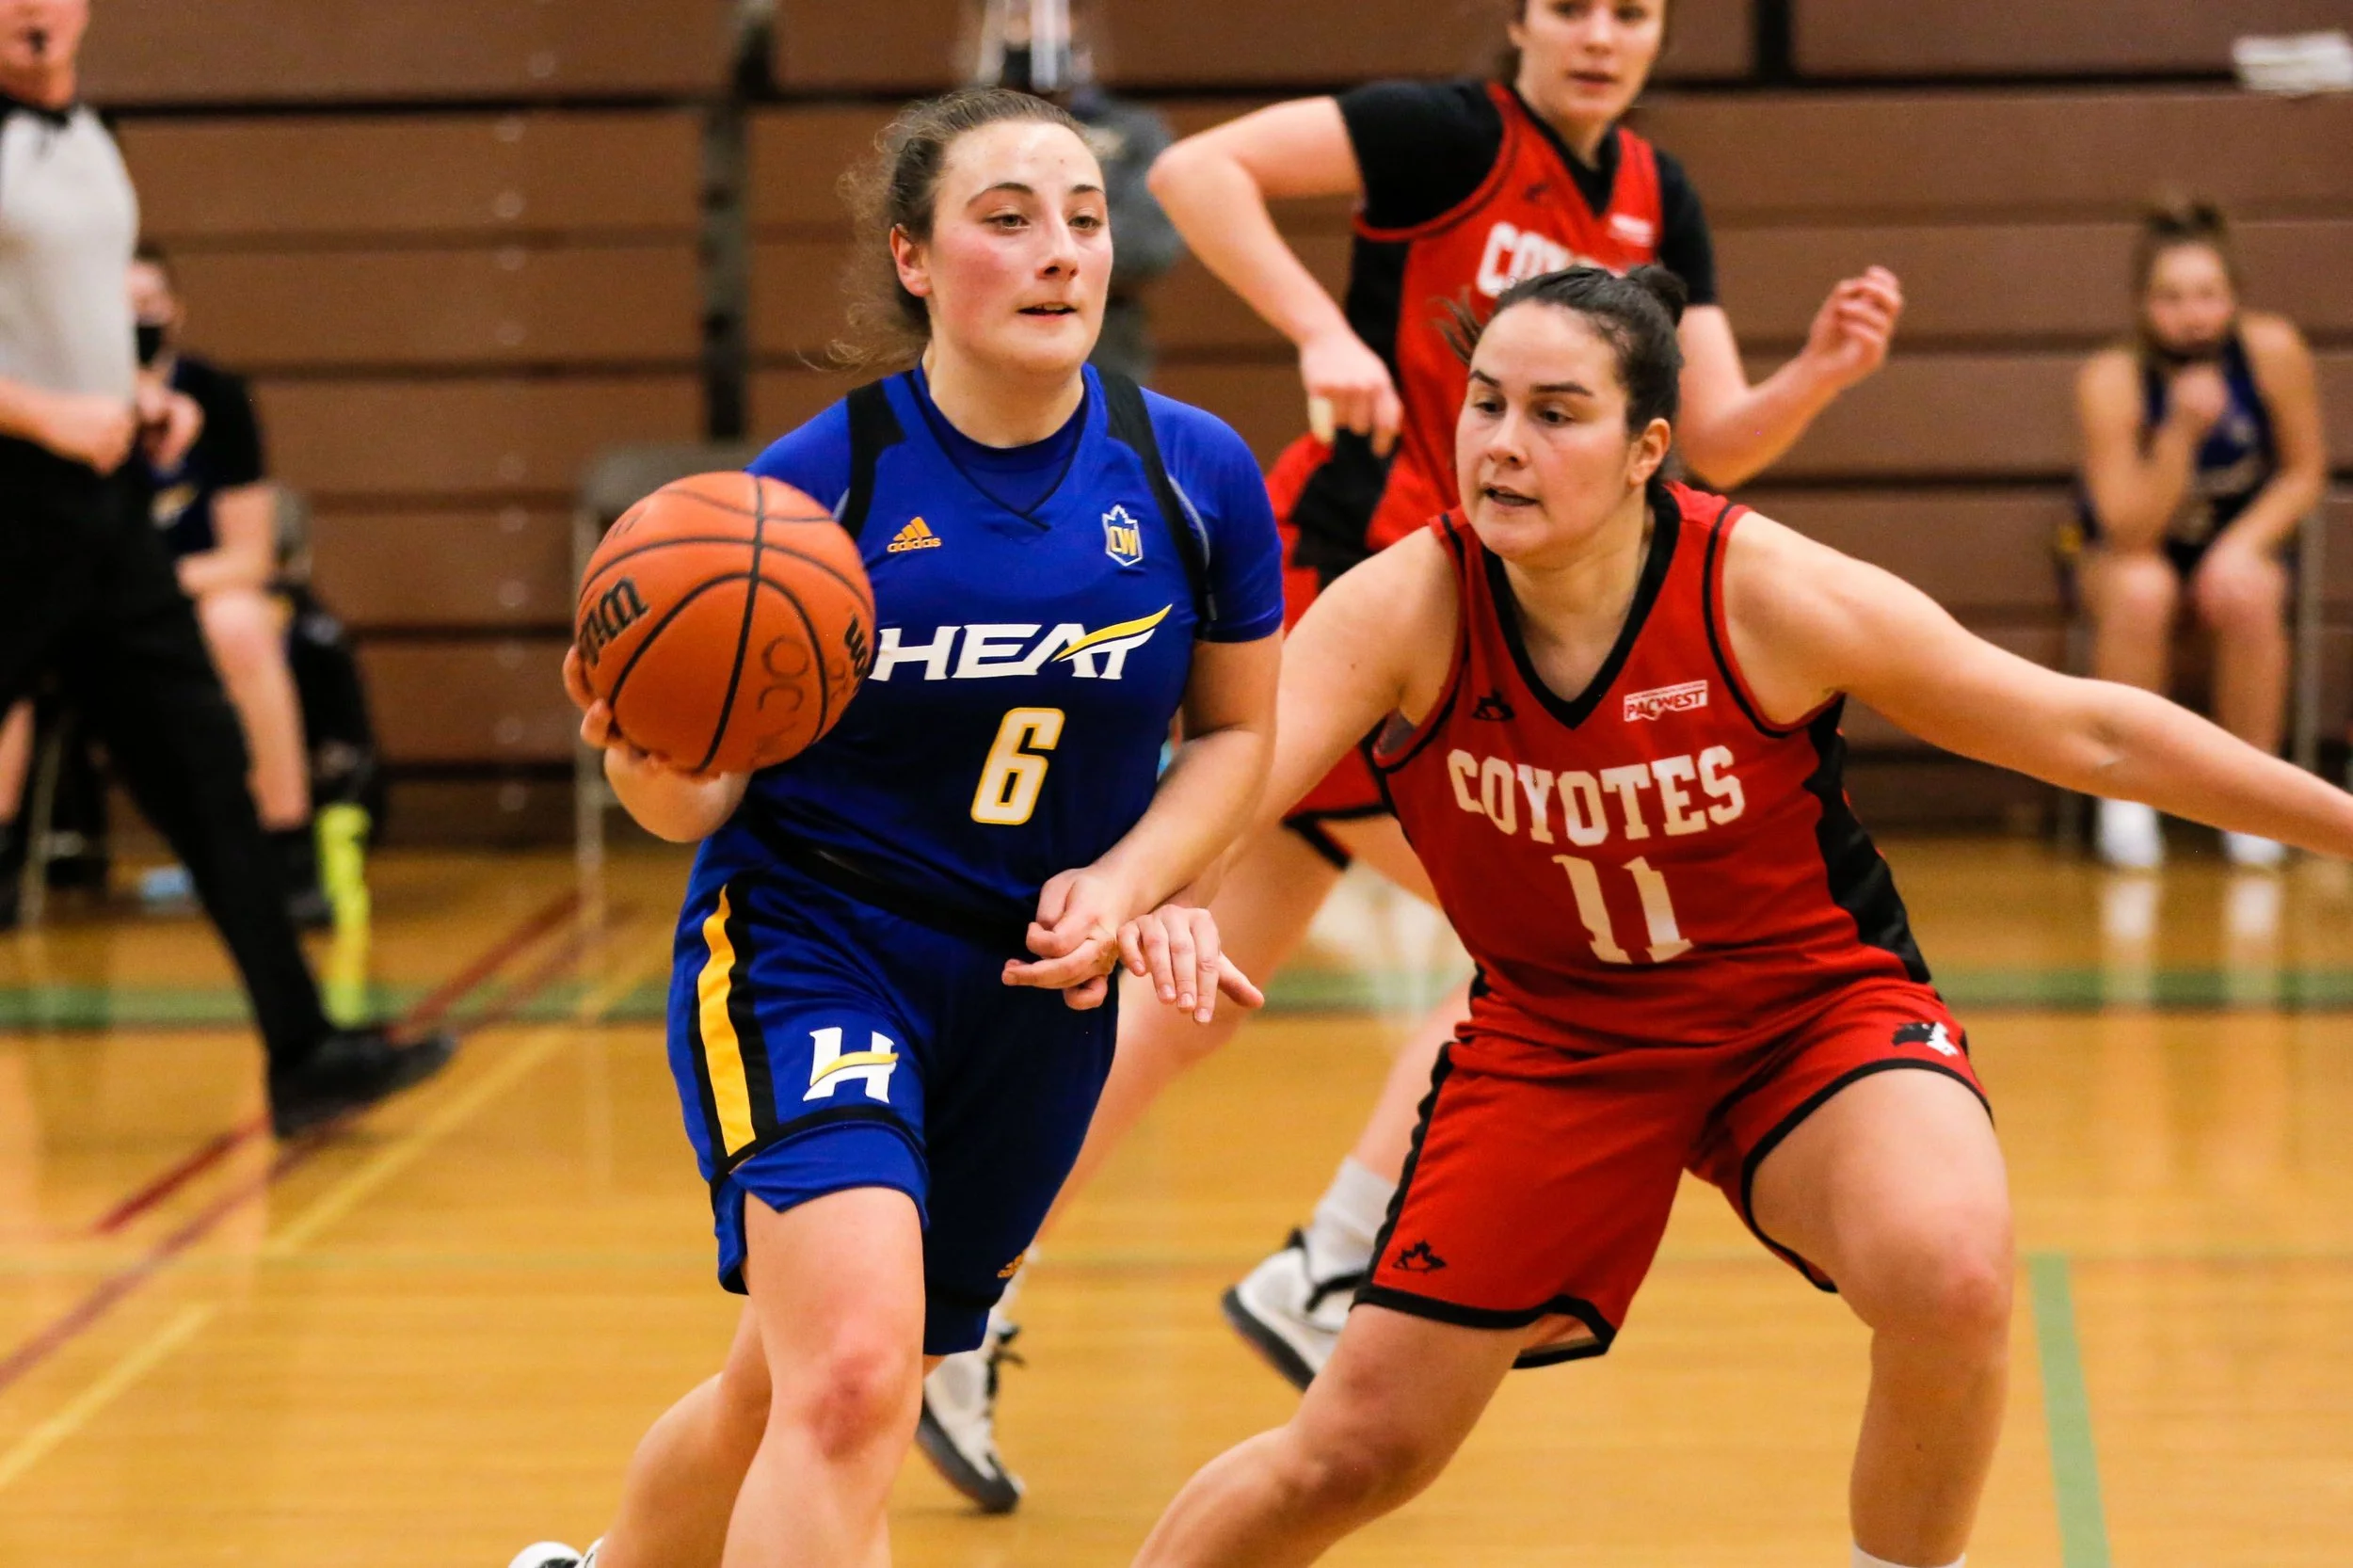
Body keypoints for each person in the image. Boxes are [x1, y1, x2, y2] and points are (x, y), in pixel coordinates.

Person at [1128, 263, 2353, 1568]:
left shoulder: (1762, 590)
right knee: (1357, 1449)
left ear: (1649, 447)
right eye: (1486, 405)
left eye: (1556, 412)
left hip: (1809, 1016)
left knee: (1951, 1274)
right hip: (1561, 1039)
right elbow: (1231, 774)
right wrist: (1157, 891)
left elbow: (2093, 732)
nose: (1503, 443)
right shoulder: (1407, 601)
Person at [919, 0, 1909, 1498]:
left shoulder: (1658, 193)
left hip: (1474, 665)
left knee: (1187, 1007)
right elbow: (1193, 176)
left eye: (1630, 10)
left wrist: (1818, 379)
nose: (1599, 35)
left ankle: (964, 1293)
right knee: (1547, 946)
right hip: (1355, 609)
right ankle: (1318, 1264)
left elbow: (1706, 431)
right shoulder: (1445, 137)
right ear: (1521, 19)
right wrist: (1324, 331)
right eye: (1571, 5)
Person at [509, 86, 1282, 1568]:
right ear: (914, 259)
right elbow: (691, 801)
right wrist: (649, 745)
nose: (1059, 251)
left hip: (1035, 987)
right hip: (819, 942)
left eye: (1084, 218)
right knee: (856, 1380)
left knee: (788, 1384)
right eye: (1007, 220)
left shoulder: (1194, 476)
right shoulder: (809, 495)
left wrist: (1129, 881)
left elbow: (1240, 735)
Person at [0, 0, 450, 1130]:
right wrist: (49, 415)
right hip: (9, 501)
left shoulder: (89, 136)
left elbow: (60, 308)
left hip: (102, 510)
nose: (32, 9)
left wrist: (135, 397)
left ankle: (303, 1050)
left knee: (205, 770)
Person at [2073, 195, 2328, 871]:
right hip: (2135, 551)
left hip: (2235, 540)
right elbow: (2127, 529)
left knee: (2247, 587)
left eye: (2209, 294)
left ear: (2236, 296)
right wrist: (2181, 435)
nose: (2192, 315)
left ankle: (2254, 797)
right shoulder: (2112, 378)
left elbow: (2304, 473)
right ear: (2140, 303)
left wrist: (2241, 546)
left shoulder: (2273, 351)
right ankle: (2124, 797)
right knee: (2141, 589)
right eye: (2171, 297)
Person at [972, 0, 1183, 381]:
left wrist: (1011, 241)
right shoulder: (947, 133)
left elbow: (1148, 247)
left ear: (1077, 22)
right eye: (1018, 17)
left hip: (1105, 360)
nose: (1035, 32)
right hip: (976, 360)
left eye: (1054, 15)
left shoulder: (1131, 130)